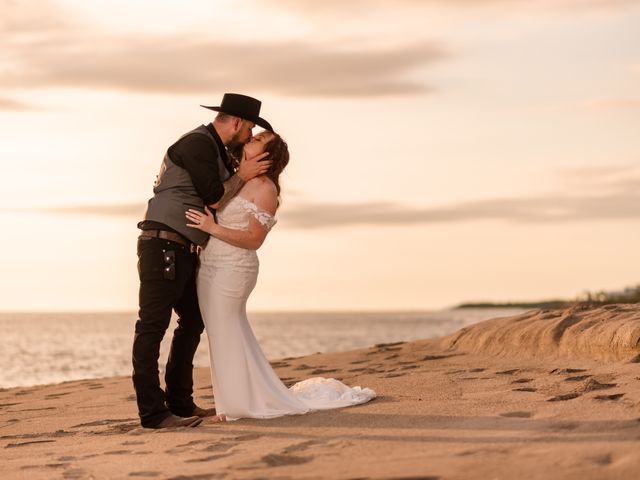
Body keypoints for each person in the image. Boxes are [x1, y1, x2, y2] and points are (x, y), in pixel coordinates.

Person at [185, 131, 376, 421]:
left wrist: (212, 229)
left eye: (259, 138)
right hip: (211, 265)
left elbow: (254, 239)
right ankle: (234, 402)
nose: (251, 138)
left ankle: (236, 406)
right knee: (223, 333)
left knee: (226, 331)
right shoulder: (237, 178)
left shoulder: (265, 188)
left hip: (234, 268)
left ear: (267, 155)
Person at [133, 93, 273, 429]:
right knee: (152, 327)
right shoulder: (197, 143)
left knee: (193, 321)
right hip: (162, 245)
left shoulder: (216, 148)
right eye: (251, 126)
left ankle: (180, 403)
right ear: (238, 122)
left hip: (183, 248)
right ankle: (153, 414)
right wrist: (246, 173)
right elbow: (214, 196)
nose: (251, 133)